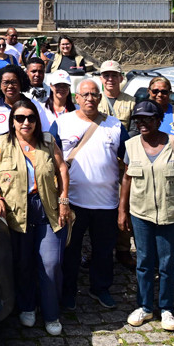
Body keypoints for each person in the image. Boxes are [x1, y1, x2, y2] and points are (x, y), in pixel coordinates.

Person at [0, 99, 70, 336]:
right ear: (12, 121)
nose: (26, 122)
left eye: (30, 117)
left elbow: (62, 168)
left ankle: (51, 313)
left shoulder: (48, 141)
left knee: (50, 264)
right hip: (16, 211)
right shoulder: (1, 144)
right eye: (20, 118)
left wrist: (63, 199)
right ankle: (27, 306)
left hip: (47, 209)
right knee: (23, 263)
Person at [118, 100, 174, 332]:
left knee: (166, 264)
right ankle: (144, 306)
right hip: (140, 213)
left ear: (158, 120)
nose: (142, 123)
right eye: (138, 119)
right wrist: (122, 210)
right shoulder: (131, 145)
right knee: (144, 262)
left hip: (171, 214)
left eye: (147, 119)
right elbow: (126, 179)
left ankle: (166, 309)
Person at [57, 77, 126, 311]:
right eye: (85, 94)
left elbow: (129, 159)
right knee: (70, 251)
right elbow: (52, 159)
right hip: (73, 202)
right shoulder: (62, 123)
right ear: (76, 98)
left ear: (100, 98)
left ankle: (100, 288)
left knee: (104, 251)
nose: (90, 98)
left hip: (107, 203)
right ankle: (68, 292)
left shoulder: (115, 126)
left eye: (94, 94)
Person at [99, 59, 138, 270]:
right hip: (101, 165)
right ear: (101, 78)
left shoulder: (131, 102)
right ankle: (99, 250)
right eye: (106, 75)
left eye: (114, 75)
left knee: (125, 207)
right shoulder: (94, 101)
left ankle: (123, 250)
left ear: (121, 78)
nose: (110, 79)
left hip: (123, 164)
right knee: (102, 209)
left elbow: (133, 131)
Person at [0, 65, 52, 154]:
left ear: (21, 83)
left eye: (14, 82)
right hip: (3, 158)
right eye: (5, 82)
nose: (10, 86)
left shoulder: (33, 105)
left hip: (30, 155)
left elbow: (46, 131)